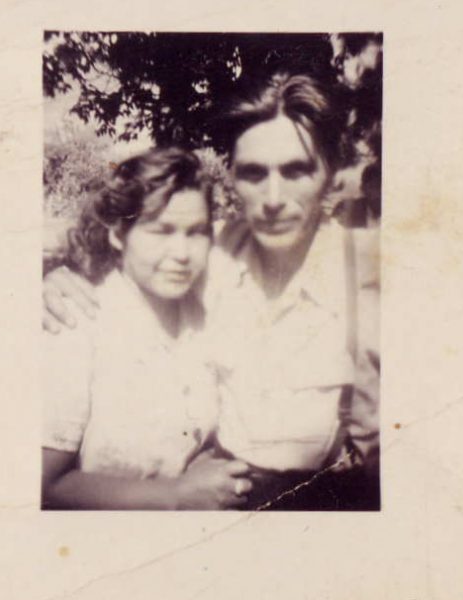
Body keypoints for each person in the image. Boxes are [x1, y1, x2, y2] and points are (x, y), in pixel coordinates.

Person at [43, 73, 380, 510]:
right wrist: (54, 284)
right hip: (210, 501)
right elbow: (143, 242)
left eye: (296, 171)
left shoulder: (376, 272)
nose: (273, 198)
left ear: (330, 173)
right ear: (233, 176)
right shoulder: (211, 250)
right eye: (253, 173)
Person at [41, 147, 252, 510]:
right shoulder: (76, 322)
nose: (182, 253)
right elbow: (41, 485)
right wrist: (174, 495)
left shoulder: (206, 314)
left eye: (196, 232)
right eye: (160, 231)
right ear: (118, 234)